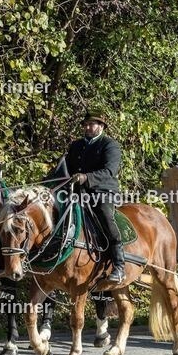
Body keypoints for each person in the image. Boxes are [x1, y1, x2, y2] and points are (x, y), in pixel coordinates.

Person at [66, 111, 125, 284]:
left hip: (103, 192)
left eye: (91, 124)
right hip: (76, 192)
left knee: (106, 217)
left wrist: (86, 177)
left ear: (101, 126)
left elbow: (109, 171)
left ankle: (119, 265)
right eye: (86, 125)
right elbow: (66, 168)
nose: (88, 127)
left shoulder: (110, 145)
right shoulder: (76, 145)